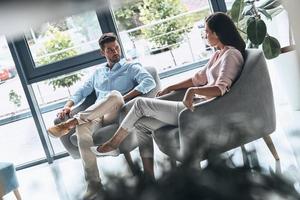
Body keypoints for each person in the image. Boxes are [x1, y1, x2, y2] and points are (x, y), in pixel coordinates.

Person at [91, 12, 246, 161]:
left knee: (140, 104)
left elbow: (220, 89)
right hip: (195, 106)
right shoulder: (218, 54)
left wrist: (193, 91)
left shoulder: (231, 55)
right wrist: (171, 87)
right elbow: (197, 79)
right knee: (140, 123)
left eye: (207, 32)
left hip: (202, 110)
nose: (205, 36)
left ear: (217, 33)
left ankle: (114, 143)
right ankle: (149, 176)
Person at [47, 32, 156, 200]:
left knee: (114, 95)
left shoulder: (131, 66)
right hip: (95, 114)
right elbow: (81, 91)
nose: (115, 52)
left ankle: (73, 121)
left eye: (117, 48)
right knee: (82, 131)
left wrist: (124, 97)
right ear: (102, 52)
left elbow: (149, 82)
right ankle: (94, 184)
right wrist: (67, 107)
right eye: (110, 50)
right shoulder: (97, 73)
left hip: (118, 111)